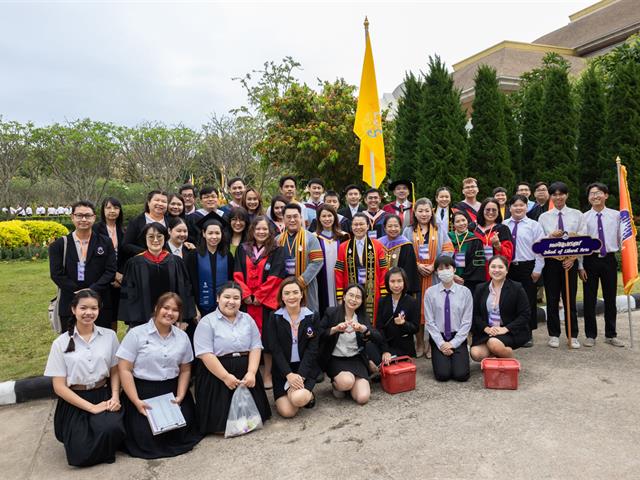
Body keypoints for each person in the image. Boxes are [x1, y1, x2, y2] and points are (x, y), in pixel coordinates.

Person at [44, 289, 125, 467]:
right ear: (73, 309)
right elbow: (59, 387)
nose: (89, 313)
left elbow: (115, 371)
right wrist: (92, 408)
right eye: (83, 308)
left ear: (99, 310)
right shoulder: (60, 343)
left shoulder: (109, 336)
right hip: (75, 400)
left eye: (94, 308)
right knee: (80, 454)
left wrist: (115, 396)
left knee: (112, 429)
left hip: (102, 394)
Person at [117, 293, 203, 458]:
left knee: (183, 430)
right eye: (166, 308)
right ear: (156, 308)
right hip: (142, 391)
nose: (170, 313)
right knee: (144, 435)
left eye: (175, 310)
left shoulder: (182, 337)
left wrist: (181, 395)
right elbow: (124, 370)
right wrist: (136, 401)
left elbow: (185, 370)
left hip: (171, 390)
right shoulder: (136, 334)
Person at [193, 282, 271, 435]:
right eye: (226, 297)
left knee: (254, 419)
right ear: (217, 298)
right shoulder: (207, 322)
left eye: (236, 298)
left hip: (245, 370)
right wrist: (225, 377)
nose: (231, 301)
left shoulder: (248, 319)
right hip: (217, 374)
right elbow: (205, 354)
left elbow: (255, 347)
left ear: (241, 300)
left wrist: (252, 372)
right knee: (220, 426)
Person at [233, 216, 287, 388]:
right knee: (246, 338)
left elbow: (276, 276)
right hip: (247, 302)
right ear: (252, 231)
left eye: (265, 229)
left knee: (269, 339)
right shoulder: (243, 249)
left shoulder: (277, 250)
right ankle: (250, 372)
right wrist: (246, 294)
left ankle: (268, 374)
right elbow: (237, 273)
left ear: (270, 231)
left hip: (266, 302)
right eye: (258, 229)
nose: (261, 232)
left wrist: (259, 296)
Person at [49, 201, 117, 333]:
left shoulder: (105, 242)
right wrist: (78, 292)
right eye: (79, 215)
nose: (84, 219)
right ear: (72, 217)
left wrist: (92, 290)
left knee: (102, 343)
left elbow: (110, 271)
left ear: (94, 217)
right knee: (72, 344)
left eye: (87, 215)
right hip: (70, 301)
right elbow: (56, 274)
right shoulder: (59, 245)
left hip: (100, 301)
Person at [403, 198, 454, 358]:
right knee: (416, 311)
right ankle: (419, 342)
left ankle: (433, 343)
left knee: (435, 310)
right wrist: (417, 264)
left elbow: (448, 249)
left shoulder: (439, 229)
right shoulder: (408, 231)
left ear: (431, 211)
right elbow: (404, 252)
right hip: (415, 276)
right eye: (420, 211)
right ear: (415, 213)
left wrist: (435, 265)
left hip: (435, 276)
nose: (424, 214)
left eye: (427, 211)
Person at [119, 222, 195, 329]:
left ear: (165, 238)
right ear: (144, 238)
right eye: (151, 236)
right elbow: (130, 294)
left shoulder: (176, 262)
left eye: (159, 236)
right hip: (142, 321)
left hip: (172, 320)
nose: (155, 240)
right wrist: (133, 321)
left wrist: (183, 319)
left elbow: (184, 291)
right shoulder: (134, 263)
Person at [319, 284, 384, 404]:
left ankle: (349, 385)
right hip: (336, 359)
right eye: (351, 295)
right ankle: (337, 384)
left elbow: (378, 338)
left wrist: (364, 329)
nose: (354, 299)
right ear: (344, 296)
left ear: (362, 301)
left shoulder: (362, 317)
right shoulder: (331, 312)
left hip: (356, 359)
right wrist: (335, 329)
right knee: (346, 382)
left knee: (363, 398)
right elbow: (319, 334)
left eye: (358, 297)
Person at [538, 181, 585, 348]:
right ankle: (554, 334)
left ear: (567, 195)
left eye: (561, 194)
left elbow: (583, 239)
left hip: (569, 263)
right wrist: (550, 236)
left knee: (569, 299)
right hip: (551, 263)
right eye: (555, 194)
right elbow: (540, 241)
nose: (558, 197)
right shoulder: (544, 217)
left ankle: (573, 334)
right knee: (551, 299)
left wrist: (574, 259)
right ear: (551, 197)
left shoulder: (577, 214)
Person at [267, 278, 320, 417]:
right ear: (282, 297)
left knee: (298, 398)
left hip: (305, 369)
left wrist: (300, 376)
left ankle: (303, 395)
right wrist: (289, 375)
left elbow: (312, 349)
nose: (292, 297)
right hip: (283, 370)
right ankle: (301, 396)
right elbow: (275, 349)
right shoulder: (274, 317)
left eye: (295, 292)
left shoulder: (312, 316)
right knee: (287, 412)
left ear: (302, 294)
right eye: (287, 293)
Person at [581, 182, 624, 347]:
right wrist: (580, 265)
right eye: (592, 193)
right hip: (589, 260)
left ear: (606, 195)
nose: (595, 196)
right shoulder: (583, 217)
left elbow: (622, 238)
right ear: (589, 198)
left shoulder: (617, 215)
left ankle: (611, 334)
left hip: (609, 260)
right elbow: (581, 242)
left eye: (598, 193)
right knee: (589, 299)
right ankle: (590, 335)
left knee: (610, 297)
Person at [470, 255, 530, 361]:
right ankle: (497, 354)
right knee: (476, 354)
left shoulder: (516, 288)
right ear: (488, 269)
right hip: (488, 331)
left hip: (508, 331)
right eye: (493, 267)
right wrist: (486, 328)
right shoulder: (480, 288)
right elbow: (475, 314)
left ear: (507, 270)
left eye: (500, 267)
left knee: (493, 343)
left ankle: (509, 359)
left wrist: (505, 329)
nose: (496, 270)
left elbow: (525, 314)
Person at [504, 194, 545, 347]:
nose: (518, 208)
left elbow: (539, 249)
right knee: (509, 301)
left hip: (528, 267)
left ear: (526, 207)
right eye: (515, 205)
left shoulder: (534, 225)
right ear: (510, 208)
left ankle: (527, 333)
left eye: (522, 205)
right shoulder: (504, 224)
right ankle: (511, 332)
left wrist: (538, 269)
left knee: (528, 301)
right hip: (508, 268)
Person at [424, 256, 473, 382]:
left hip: (458, 337)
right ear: (436, 272)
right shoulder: (430, 293)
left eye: (448, 267)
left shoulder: (465, 292)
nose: (444, 271)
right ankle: (441, 355)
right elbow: (430, 322)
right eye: (440, 269)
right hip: (438, 337)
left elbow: (467, 322)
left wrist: (453, 343)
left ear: (454, 269)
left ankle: (460, 354)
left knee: (461, 375)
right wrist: (441, 344)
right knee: (443, 375)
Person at [335, 213, 388, 325]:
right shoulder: (343, 246)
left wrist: (384, 293)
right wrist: (340, 295)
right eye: (355, 224)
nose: (358, 227)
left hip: (373, 290)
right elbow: (339, 271)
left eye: (361, 224)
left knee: (372, 322)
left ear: (368, 226)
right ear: (351, 227)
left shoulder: (378, 245)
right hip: (351, 290)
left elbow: (384, 269)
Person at [276, 203, 324, 311]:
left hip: (306, 285)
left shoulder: (311, 238)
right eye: (288, 217)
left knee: (308, 318)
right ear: (283, 219)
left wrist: (301, 281)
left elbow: (317, 262)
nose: (292, 220)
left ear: (301, 217)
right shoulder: (277, 240)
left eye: (295, 216)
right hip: (284, 286)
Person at [186, 215, 235, 320]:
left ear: (222, 234)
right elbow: (188, 283)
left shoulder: (227, 256)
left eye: (217, 233)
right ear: (204, 234)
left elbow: (232, 282)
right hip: (200, 310)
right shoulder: (193, 255)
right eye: (210, 233)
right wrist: (194, 308)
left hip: (224, 309)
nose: (214, 237)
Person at [367, 267, 419, 365]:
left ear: (404, 282)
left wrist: (404, 323)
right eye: (392, 281)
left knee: (382, 362)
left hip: (402, 347)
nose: (396, 285)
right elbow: (379, 327)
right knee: (369, 347)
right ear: (387, 283)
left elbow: (415, 328)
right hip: (385, 343)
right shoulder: (383, 301)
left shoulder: (412, 302)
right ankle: (378, 367)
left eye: (399, 281)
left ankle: (379, 369)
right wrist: (385, 350)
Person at [93, 197, 125, 331]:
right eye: (108, 207)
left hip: (119, 281)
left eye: (116, 208)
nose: (112, 211)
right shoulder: (95, 229)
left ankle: (112, 341)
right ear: (103, 210)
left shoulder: (123, 230)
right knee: (101, 313)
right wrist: (113, 275)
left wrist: (120, 276)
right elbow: (95, 257)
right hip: (102, 278)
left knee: (114, 315)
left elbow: (125, 255)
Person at [314, 204, 349, 317]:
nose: (327, 219)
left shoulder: (344, 237)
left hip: (341, 277)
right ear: (319, 218)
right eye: (323, 216)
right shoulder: (314, 238)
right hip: (321, 279)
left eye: (330, 215)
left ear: (335, 217)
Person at [378, 214, 419, 295]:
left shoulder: (406, 245)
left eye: (396, 226)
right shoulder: (378, 244)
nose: (393, 229)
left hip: (400, 289)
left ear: (400, 228)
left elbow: (409, 271)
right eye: (389, 226)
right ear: (385, 228)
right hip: (381, 287)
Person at [473, 197, 514, 279]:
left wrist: (498, 246)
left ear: (498, 212)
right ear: (482, 211)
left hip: (494, 274)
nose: (491, 212)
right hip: (472, 274)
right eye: (488, 209)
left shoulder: (502, 229)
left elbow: (509, 255)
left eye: (494, 210)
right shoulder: (472, 228)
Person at [122, 190, 168, 261]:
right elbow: (126, 245)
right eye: (157, 200)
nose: (160, 203)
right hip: (142, 263)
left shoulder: (170, 221)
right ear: (149, 202)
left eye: (164, 201)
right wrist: (148, 253)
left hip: (166, 263)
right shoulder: (136, 221)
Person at [448, 211, 486, 296]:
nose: (461, 223)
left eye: (463, 220)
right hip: (449, 278)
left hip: (468, 282)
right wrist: (452, 275)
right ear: (453, 224)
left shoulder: (475, 240)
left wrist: (463, 278)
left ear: (467, 221)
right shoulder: (448, 238)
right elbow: (443, 257)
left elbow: (477, 263)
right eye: (457, 221)